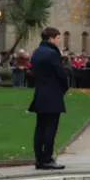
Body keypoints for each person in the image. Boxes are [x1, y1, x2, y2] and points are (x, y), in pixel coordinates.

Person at [29, 27, 69, 170]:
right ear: (51, 39)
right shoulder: (53, 54)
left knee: (40, 127)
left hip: (40, 93)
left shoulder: (36, 53)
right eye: (58, 38)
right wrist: (64, 88)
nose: (59, 41)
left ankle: (39, 159)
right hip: (52, 94)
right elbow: (61, 74)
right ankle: (47, 159)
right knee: (50, 128)